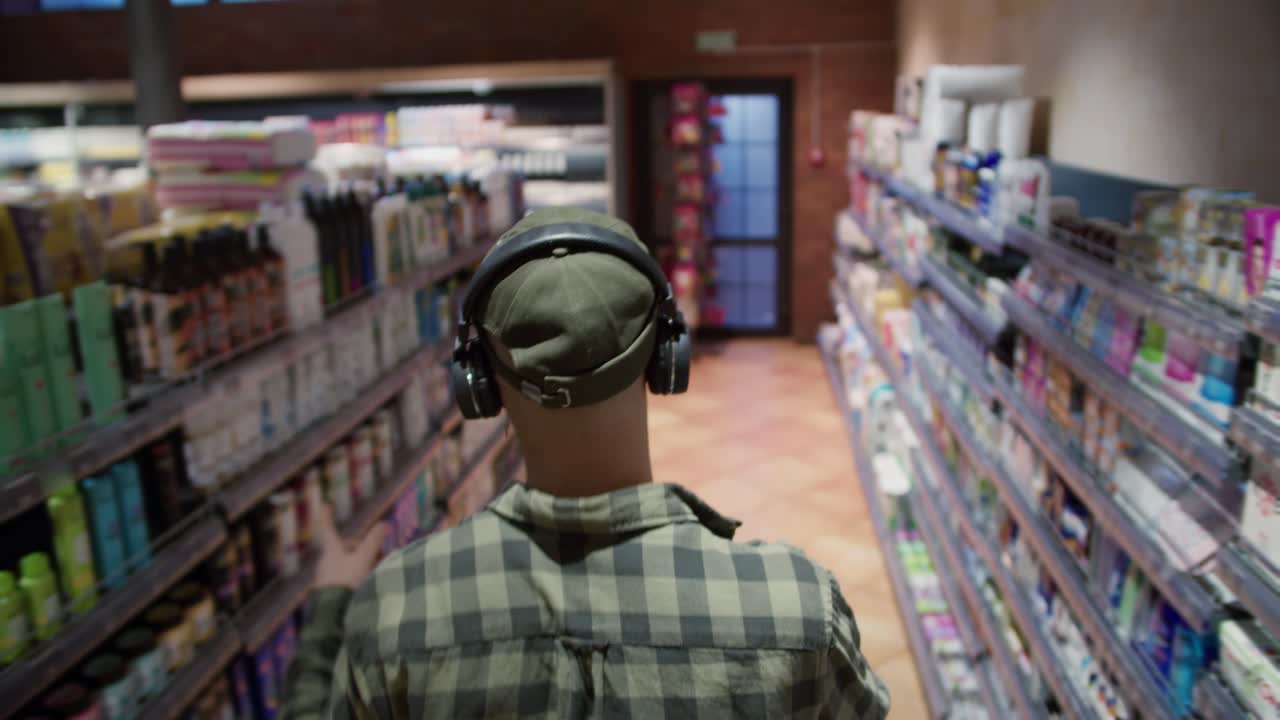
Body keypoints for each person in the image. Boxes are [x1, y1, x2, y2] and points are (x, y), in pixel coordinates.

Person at [283, 208, 890, 719]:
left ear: (480, 383)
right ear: (665, 355)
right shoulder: (795, 608)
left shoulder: (395, 611)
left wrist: (332, 603)